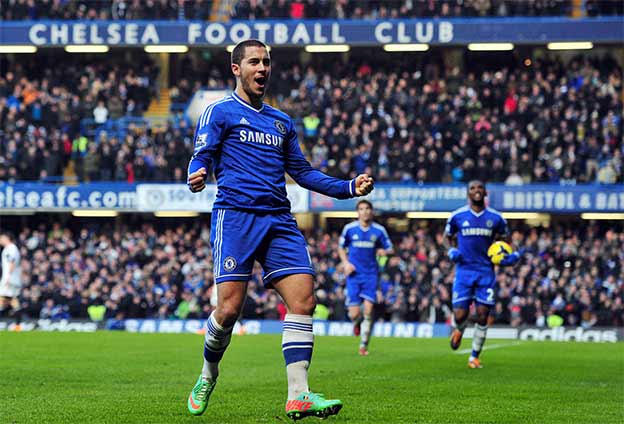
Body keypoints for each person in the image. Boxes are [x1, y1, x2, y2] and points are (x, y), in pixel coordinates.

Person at [185, 39, 374, 420]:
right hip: (236, 217)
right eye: (254, 61)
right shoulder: (219, 112)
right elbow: (201, 153)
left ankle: (298, 395)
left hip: (279, 220)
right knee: (228, 310)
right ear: (236, 69)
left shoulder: (281, 121)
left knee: (304, 300)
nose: (262, 68)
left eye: (266, 62)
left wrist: (347, 188)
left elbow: (302, 173)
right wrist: (196, 172)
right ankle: (208, 373)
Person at [444, 180, 521, 368]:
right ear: (468, 193)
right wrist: (450, 250)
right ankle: (459, 329)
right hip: (464, 271)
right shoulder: (457, 216)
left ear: (485, 192)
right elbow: (447, 237)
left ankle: (474, 356)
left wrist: (513, 255)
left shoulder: (496, 218)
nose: (476, 191)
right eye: (472, 188)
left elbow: (507, 241)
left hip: (486, 272)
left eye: (479, 188)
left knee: (482, 315)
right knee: (460, 315)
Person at [338, 200, 393, 356]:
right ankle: (356, 323)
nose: (365, 211)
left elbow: (390, 248)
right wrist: (345, 263)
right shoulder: (350, 229)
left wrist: (385, 252)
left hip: (370, 275)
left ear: (372, 211)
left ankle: (363, 345)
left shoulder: (379, 230)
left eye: (367, 208)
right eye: (361, 209)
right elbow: (341, 247)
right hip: (353, 276)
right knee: (354, 314)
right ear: (358, 212)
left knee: (368, 311)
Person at [0, 231, 22, 327]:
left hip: (9, 279)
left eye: (1, 238)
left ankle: (18, 324)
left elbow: (12, 262)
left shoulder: (11, 248)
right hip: (9, 278)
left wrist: (8, 277)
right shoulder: (8, 249)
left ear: (7, 238)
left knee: (9, 300)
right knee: (11, 301)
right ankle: (17, 325)